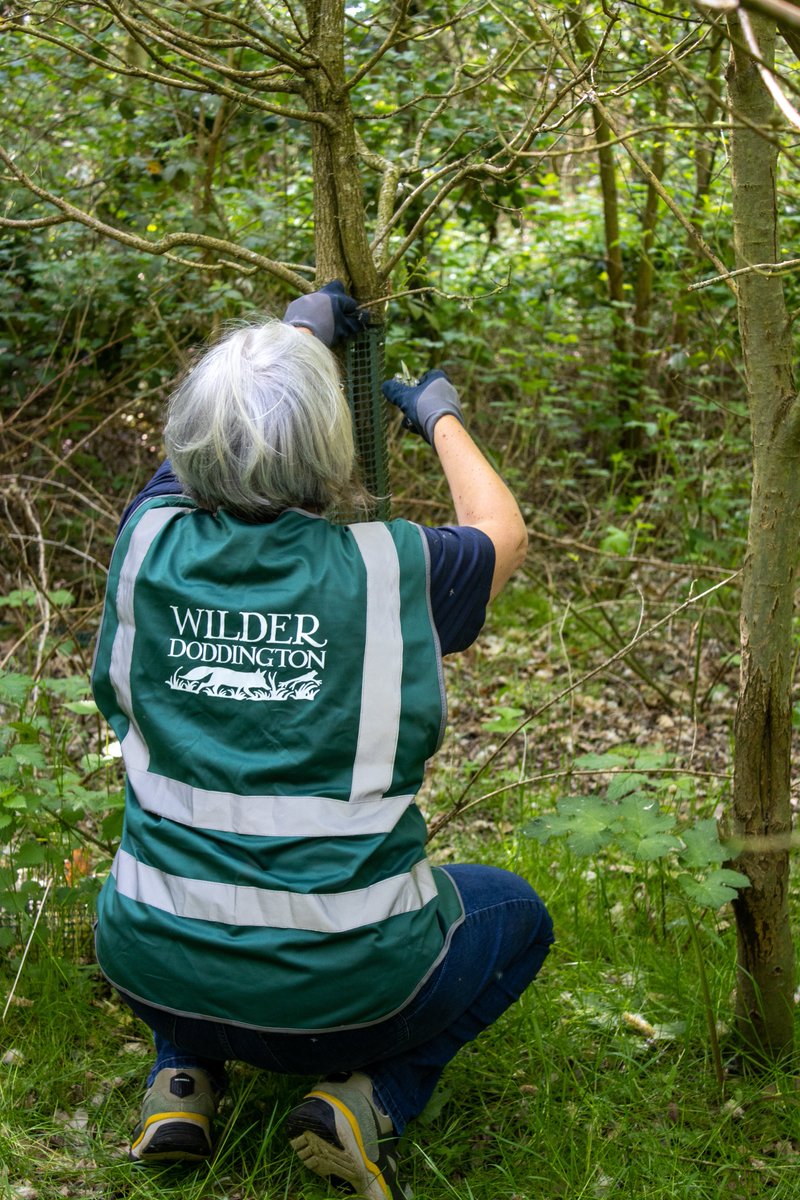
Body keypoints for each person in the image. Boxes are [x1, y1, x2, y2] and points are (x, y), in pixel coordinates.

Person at [91, 283, 553, 1199]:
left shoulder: (145, 544)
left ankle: (181, 1080)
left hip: (147, 960)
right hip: (350, 993)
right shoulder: (391, 570)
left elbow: (216, 448)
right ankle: (366, 1098)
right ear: (328, 453)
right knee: (516, 916)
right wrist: (439, 417)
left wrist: (300, 333)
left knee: (200, 872)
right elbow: (504, 532)